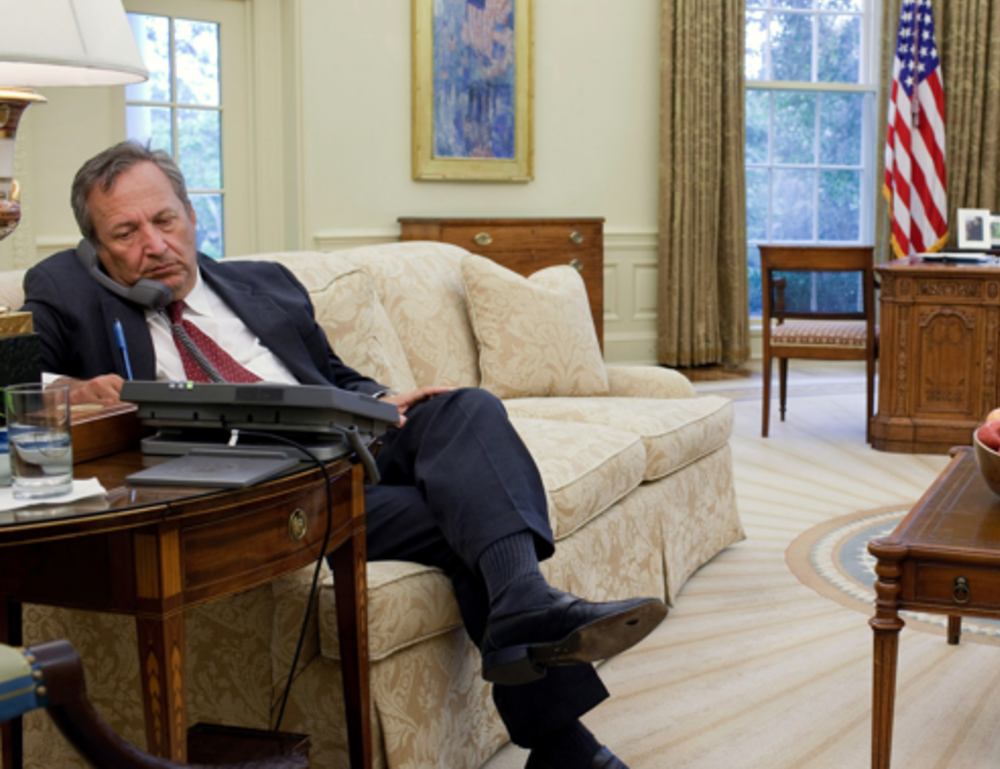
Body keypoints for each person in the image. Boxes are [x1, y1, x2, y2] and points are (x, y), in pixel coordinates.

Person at [22, 141, 664, 769]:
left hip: (350, 443)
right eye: (126, 233)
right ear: (95, 249)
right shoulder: (67, 290)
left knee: (466, 407)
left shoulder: (264, 284)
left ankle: (524, 602)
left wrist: (382, 398)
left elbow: (333, 376)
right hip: (269, 487)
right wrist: (70, 390)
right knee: (471, 518)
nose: (154, 244)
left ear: (191, 216)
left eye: (165, 221)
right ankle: (558, 735)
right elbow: (19, 383)